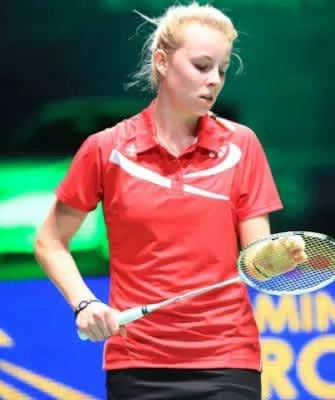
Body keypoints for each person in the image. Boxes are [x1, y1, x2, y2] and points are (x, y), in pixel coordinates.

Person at [34, 3, 306, 399]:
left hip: (227, 360)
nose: (214, 81)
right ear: (162, 62)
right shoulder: (106, 150)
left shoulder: (241, 146)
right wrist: (84, 303)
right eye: (201, 66)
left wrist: (276, 258)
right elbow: (49, 241)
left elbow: (255, 262)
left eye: (222, 70)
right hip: (136, 362)